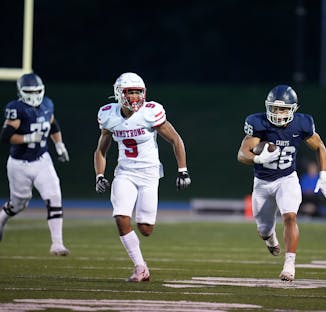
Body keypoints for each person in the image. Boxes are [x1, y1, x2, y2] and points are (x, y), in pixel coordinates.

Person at [93, 72, 191, 282]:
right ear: (119, 93)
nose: (135, 97)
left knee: (145, 229)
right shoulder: (109, 115)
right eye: (130, 92)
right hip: (125, 173)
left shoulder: (150, 113)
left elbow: (175, 139)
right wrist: (100, 175)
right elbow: (101, 149)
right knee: (121, 217)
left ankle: (141, 263)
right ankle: (140, 267)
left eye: (138, 92)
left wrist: (182, 169)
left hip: (149, 174)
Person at [237, 84, 326, 281]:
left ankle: (289, 265)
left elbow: (320, 146)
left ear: (293, 109)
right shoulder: (258, 123)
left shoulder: (302, 124)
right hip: (262, 182)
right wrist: (257, 159)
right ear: (268, 107)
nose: (278, 113)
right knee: (263, 229)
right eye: (275, 108)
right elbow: (242, 154)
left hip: (287, 179)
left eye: (283, 109)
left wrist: (323, 175)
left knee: (290, 216)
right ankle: (270, 238)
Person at [0, 73, 70, 256]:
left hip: (42, 160)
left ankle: (57, 243)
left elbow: (53, 124)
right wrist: (27, 138)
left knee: (54, 194)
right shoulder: (16, 109)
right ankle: (1, 218)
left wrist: (59, 145)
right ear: (20, 92)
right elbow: (5, 137)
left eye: (38, 90)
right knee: (19, 204)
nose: (34, 94)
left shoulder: (47, 104)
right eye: (30, 91)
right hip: (19, 164)